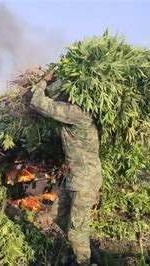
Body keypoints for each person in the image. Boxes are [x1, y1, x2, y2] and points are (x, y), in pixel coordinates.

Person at [30, 71, 102, 265]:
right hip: (75, 177)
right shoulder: (76, 112)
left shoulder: (77, 113)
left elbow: (38, 103)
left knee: (77, 230)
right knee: (56, 214)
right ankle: (84, 250)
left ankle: (84, 261)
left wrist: (42, 83)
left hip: (84, 181)